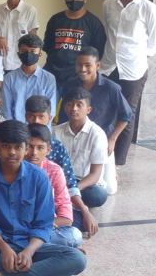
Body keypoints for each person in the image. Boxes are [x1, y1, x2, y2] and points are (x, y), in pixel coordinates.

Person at [0, 121, 87, 276]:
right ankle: (34, 269)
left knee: (77, 259)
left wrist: (29, 251)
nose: (12, 152)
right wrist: (4, 248)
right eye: (6, 146)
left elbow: (43, 224)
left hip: (32, 244)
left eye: (18, 147)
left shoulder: (39, 177)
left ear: (26, 149)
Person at [100, 0, 156, 166]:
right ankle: (99, 155)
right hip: (109, 66)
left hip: (133, 69)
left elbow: (155, 42)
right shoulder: (108, 4)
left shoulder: (149, 9)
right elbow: (109, 33)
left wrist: (138, 57)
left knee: (127, 114)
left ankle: (118, 161)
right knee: (103, 109)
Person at [25, 95, 99, 239]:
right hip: (22, 213)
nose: (36, 121)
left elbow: (70, 183)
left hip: (52, 206)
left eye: (41, 117)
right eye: (32, 116)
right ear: (26, 117)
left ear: (49, 118)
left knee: (75, 230)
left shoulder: (56, 147)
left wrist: (85, 211)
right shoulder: (17, 144)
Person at [59, 47, 132, 158]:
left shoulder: (111, 88)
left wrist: (112, 139)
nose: (83, 69)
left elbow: (126, 115)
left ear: (97, 65)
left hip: (102, 139)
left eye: (88, 65)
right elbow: (63, 114)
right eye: (79, 64)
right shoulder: (70, 85)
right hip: (74, 139)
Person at [25, 124, 82, 248]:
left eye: (40, 148)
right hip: (18, 226)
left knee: (74, 235)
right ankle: (40, 247)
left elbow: (65, 213)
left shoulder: (54, 171)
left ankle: (30, 245)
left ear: (48, 150)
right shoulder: (13, 168)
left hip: (46, 226)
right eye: (30, 147)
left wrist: (46, 225)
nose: (34, 153)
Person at [43, 0, 106, 90]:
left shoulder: (94, 23)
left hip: (78, 79)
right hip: (52, 76)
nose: (74, 0)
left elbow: (97, 52)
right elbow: (48, 46)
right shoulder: (55, 19)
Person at [53, 88, 110, 209]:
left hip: (85, 183)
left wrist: (72, 190)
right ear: (65, 108)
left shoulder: (97, 134)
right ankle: (70, 202)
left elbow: (95, 174)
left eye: (79, 105)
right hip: (62, 179)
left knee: (98, 195)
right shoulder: (57, 131)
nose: (74, 109)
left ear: (88, 109)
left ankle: (65, 200)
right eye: (70, 104)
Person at [2, 34, 56, 121]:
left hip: (40, 125)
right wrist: (13, 127)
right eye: (24, 51)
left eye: (33, 51)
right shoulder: (9, 78)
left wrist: (40, 125)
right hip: (16, 126)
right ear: (18, 54)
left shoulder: (49, 78)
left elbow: (51, 110)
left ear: (40, 55)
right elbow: (6, 110)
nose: (28, 54)